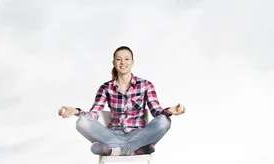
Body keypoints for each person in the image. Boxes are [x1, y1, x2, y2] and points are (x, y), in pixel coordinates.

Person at [58, 45, 186, 156]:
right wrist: (77, 111)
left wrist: (170, 111)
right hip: (113, 135)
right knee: (81, 122)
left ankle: (117, 150)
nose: (123, 62)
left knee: (164, 120)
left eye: (126, 59)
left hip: (139, 135)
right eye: (118, 59)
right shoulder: (105, 88)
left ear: (132, 62)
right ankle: (135, 150)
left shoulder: (146, 85)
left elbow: (156, 111)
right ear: (113, 62)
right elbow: (94, 113)